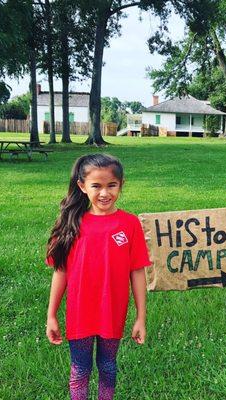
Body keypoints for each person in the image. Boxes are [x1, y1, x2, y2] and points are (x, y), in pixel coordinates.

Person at [44, 153, 151, 400]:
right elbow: (60, 271)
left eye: (111, 185)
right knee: (80, 370)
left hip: (112, 311)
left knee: (108, 367)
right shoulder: (71, 224)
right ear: (82, 186)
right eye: (96, 186)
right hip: (80, 312)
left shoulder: (130, 223)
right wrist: (51, 314)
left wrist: (141, 317)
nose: (105, 193)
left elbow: (137, 271)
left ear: (121, 185)